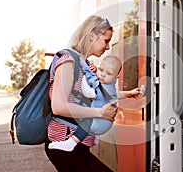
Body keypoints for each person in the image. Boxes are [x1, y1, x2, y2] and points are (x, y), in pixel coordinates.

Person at [45, 15, 119, 171]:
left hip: (76, 143)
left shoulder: (83, 64)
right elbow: (58, 106)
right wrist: (100, 112)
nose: (108, 47)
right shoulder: (67, 61)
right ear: (92, 35)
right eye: (105, 41)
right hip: (65, 141)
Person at [48, 55, 141, 152]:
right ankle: (95, 137)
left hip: (100, 123)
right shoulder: (110, 85)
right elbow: (115, 95)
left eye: (108, 73)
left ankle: (71, 142)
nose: (103, 75)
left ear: (116, 77)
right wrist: (129, 93)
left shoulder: (102, 86)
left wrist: (88, 73)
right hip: (106, 123)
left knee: (85, 116)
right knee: (90, 109)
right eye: (101, 70)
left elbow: (87, 91)